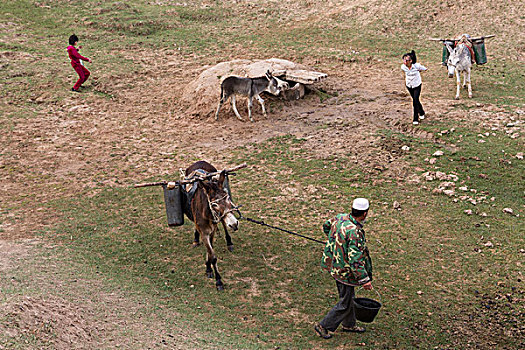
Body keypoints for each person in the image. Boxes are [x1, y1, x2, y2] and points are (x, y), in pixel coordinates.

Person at [314, 198, 373, 339]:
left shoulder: (340, 218)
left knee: (348, 297)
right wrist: (364, 280)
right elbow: (355, 260)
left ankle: (349, 324)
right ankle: (323, 325)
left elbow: (326, 226)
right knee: (346, 302)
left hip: (334, 264)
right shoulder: (355, 232)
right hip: (344, 272)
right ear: (364, 214)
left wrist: (335, 240)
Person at [401, 50, 427, 125]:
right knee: (415, 100)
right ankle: (421, 112)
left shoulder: (416, 66)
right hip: (409, 85)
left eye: (406, 60)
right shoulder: (403, 67)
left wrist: (419, 71)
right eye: (404, 60)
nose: (404, 62)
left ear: (411, 61)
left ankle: (415, 118)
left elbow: (425, 69)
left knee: (415, 101)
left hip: (417, 85)